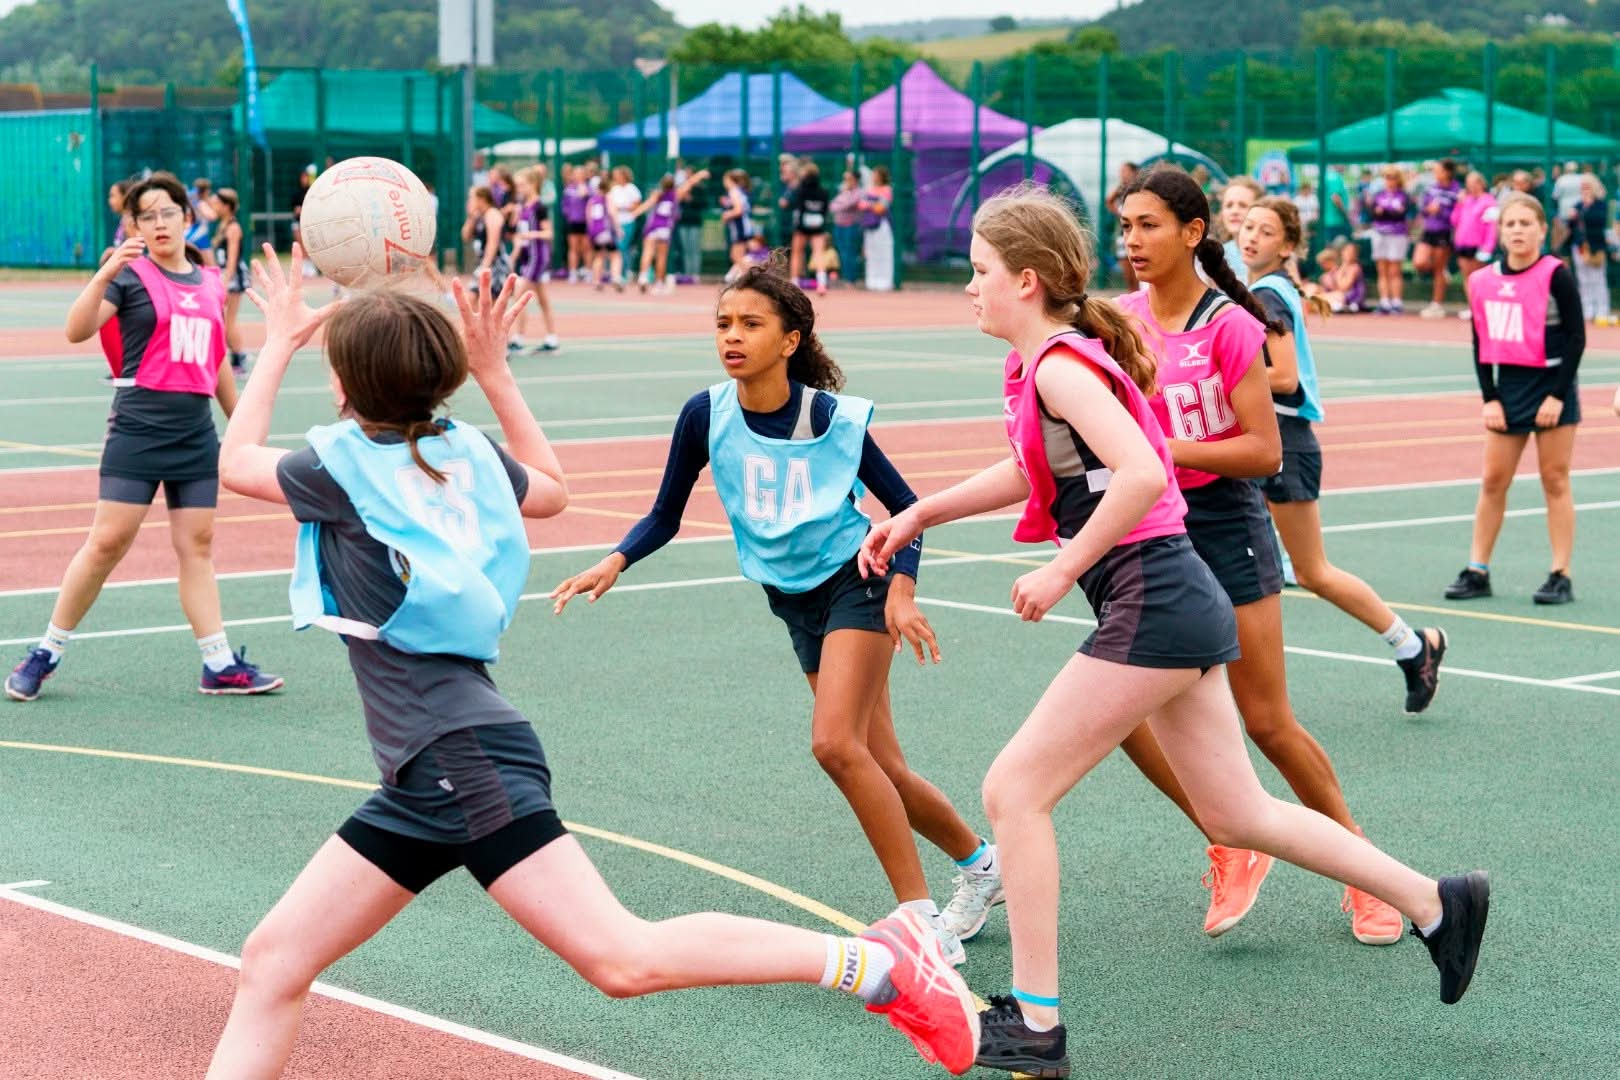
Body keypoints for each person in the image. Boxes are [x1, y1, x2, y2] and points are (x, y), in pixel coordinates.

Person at [204, 252, 980, 1078]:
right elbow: (552, 489)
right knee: (273, 961)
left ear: (344, 385)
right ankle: (886, 960)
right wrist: (498, 374)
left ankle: (884, 965)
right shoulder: (466, 454)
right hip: (433, 767)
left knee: (623, 958)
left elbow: (234, 459)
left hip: (456, 762)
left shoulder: (336, 469)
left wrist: (280, 339)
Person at [860, 183, 1489, 1078]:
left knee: (1014, 791)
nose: (970, 287)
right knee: (1237, 810)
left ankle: (1037, 1023)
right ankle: (1439, 903)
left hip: (1152, 596)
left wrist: (1062, 565)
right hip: (1172, 596)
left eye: (979, 271)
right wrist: (919, 512)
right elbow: (1028, 466)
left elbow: (1143, 472)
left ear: (1028, 281)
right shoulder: (1051, 363)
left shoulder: (1063, 366)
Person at [550, 262, 1004, 963]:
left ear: (790, 340)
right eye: (724, 324)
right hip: (793, 600)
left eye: (751, 324)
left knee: (834, 745)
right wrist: (617, 558)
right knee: (879, 760)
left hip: (858, 581)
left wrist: (902, 591)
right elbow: (665, 513)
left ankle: (920, 922)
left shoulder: (823, 416)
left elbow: (907, 510)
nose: (732, 336)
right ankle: (981, 867)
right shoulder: (706, 414)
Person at [1114, 166, 1412, 947]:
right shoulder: (1120, 321)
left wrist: (1158, 448)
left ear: (1192, 230)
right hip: (1153, 529)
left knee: (1268, 720)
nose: (1132, 241)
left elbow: (1261, 449)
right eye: (1124, 226)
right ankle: (1230, 837)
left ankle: (1365, 873)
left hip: (1223, 523)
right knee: (1123, 715)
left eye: (1147, 224)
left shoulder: (1232, 322)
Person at [6, 173, 281, 703]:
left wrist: (240, 426)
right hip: (138, 428)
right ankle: (45, 652)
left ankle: (218, 664)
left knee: (197, 547)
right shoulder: (129, 277)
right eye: (146, 216)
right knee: (107, 543)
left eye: (168, 212)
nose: (159, 223)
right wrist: (105, 270)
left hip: (194, 434)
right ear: (134, 226)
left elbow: (215, 358)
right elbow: (76, 330)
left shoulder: (208, 281)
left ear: (186, 217)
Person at [1238, 196, 1448, 713]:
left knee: (1311, 572)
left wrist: (1218, 378)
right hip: (1256, 440)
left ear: (1287, 246)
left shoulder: (1269, 296)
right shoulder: (1262, 290)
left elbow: (1283, 378)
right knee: (1232, 561)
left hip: (1285, 443)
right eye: (1246, 226)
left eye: (1265, 231)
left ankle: (1414, 646)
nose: (1251, 236)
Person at [1445, 193, 1584, 606]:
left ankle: (1561, 574)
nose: (1519, 230)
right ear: (1500, 232)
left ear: (1542, 229)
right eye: (1511, 224)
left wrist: (1558, 395)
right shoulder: (1483, 281)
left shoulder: (1556, 275)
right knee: (1493, 481)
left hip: (1552, 383)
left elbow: (1577, 338)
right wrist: (1489, 397)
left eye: (1527, 223)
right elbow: (1480, 341)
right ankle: (1478, 570)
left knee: (1554, 480)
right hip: (1509, 388)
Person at [510, 167, 560, 353]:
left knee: (519, 294)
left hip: (537, 256)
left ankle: (518, 338)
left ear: (533, 184)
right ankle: (552, 337)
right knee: (542, 300)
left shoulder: (539, 207)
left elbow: (549, 233)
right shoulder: (523, 207)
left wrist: (532, 234)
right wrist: (515, 251)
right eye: (518, 186)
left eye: (522, 185)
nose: (520, 189)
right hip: (526, 256)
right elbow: (517, 232)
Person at [632, 170, 707, 293]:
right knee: (662, 257)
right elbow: (690, 182)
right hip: (665, 228)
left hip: (653, 226)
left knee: (648, 252)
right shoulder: (676, 194)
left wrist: (634, 214)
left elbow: (647, 205)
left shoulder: (657, 194)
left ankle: (643, 277)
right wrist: (700, 174)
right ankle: (659, 283)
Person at [208, 187, 250, 376]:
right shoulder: (222, 225)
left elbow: (232, 259)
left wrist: (225, 280)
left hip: (233, 277)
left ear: (226, 206)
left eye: (217, 203)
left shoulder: (233, 227)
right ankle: (233, 357)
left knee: (228, 321)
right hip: (224, 275)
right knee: (222, 321)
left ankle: (239, 357)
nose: (214, 206)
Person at [1413, 160, 1461, 318]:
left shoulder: (1457, 190)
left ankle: (1436, 304)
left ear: (1447, 172)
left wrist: (1441, 212)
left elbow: (1457, 215)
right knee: (1419, 262)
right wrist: (1429, 209)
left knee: (1439, 270)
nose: (1435, 173)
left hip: (1445, 232)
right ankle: (1442, 273)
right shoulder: (1431, 188)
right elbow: (1424, 209)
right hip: (1428, 231)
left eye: (1438, 170)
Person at [1450, 172, 1500, 322]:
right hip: (1462, 244)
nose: (1471, 186)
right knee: (1468, 278)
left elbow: (1492, 227)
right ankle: (1473, 307)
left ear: (1481, 183)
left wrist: (1487, 247)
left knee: (1480, 278)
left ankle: (1482, 309)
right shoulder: (1466, 200)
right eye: (1468, 182)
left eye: (1474, 182)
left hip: (1479, 247)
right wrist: (1459, 204)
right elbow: (1454, 220)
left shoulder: (1489, 201)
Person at [1365, 167, 1413, 315]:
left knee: (1394, 269)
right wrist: (1384, 212)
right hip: (1380, 234)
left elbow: (1401, 213)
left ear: (1398, 179)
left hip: (1397, 234)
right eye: (1386, 177)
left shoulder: (1403, 195)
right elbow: (1374, 213)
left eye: (1392, 177)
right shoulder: (1379, 195)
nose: (1389, 180)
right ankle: (1384, 301)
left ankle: (1396, 302)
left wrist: (1386, 211)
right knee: (1382, 269)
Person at [462, 186, 512, 312]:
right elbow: (465, 236)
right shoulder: (479, 216)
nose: (469, 201)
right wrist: (471, 217)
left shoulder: (492, 214)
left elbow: (493, 243)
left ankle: (492, 331)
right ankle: (479, 331)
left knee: (491, 305)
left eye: (471, 198)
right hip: (484, 263)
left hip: (495, 265)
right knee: (472, 299)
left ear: (481, 199)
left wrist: (485, 267)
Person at [1572, 174, 1612, 325]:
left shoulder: (1600, 204)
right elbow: (1571, 226)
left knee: (1598, 279)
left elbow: (1600, 221)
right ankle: (1587, 309)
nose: (1584, 190)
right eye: (1582, 187)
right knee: (1584, 279)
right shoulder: (1578, 204)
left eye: (1587, 186)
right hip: (1580, 246)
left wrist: (1587, 208)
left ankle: (1602, 310)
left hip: (1596, 246)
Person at [790, 163, 834, 294]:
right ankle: (821, 284)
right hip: (818, 224)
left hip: (801, 225)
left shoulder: (800, 190)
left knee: (797, 253)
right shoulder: (823, 191)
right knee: (818, 253)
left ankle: (794, 284)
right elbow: (825, 210)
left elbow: (797, 207)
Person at [1105, 161, 1141, 291]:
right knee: (1125, 267)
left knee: (1137, 270)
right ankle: (1131, 295)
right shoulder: (1121, 188)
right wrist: (1120, 214)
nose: (1122, 174)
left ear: (1134, 172)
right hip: (1122, 235)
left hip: (1137, 234)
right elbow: (1109, 200)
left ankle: (1139, 295)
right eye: (1121, 171)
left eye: (1125, 171)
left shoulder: (1140, 189)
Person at [859, 167, 895, 293]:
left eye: (876, 174)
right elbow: (861, 205)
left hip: (882, 226)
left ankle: (884, 283)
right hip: (870, 225)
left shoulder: (887, 190)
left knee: (883, 254)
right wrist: (872, 205)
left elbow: (881, 208)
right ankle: (872, 281)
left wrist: (869, 204)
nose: (873, 176)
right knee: (871, 253)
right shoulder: (869, 189)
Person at [608, 165, 643, 290]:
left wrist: (623, 207)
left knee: (622, 247)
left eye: (618, 174)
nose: (615, 176)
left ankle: (624, 273)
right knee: (616, 248)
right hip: (615, 222)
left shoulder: (632, 189)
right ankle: (617, 274)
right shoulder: (614, 189)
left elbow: (637, 206)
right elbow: (610, 204)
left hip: (627, 221)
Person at [720, 169, 756, 284]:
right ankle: (750, 275)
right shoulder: (739, 191)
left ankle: (755, 275)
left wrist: (727, 215)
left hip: (739, 226)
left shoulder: (733, 191)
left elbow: (738, 210)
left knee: (736, 256)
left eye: (725, 180)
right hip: (742, 226)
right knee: (738, 255)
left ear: (730, 180)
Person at [584, 175, 619, 291]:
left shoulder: (592, 200)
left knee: (599, 256)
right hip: (606, 231)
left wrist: (591, 232)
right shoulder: (608, 198)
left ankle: (596, 281)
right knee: (615, 255)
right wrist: (618, 229)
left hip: (595, 232)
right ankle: (615, 278)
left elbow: (588, 217)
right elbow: (612, 213)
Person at [831, 169, 864, 287]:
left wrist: (841, 202)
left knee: (850, 252)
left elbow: (847, 204)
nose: (846, 181)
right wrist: (842, 201)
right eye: (845, 179)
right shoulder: (844, 191)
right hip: (839, 226)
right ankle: (846, 278)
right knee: (842, 252)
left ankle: (851, 279)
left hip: (851, 226)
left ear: (854, 180)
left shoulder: (859, 192)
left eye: (848, 179)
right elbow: (832, 206)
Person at [559, 165, 589, 283]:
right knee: (573, 248)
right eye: (576, 173)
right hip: (573, 223)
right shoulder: (569, 189)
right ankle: (573, 273)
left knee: (586, 248)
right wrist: (570, 216)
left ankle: (588, 272)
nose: (578, 176)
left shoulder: (589, 188)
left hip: (586, 223)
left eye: (581, 173)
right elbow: (564, 206)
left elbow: (590, 201)